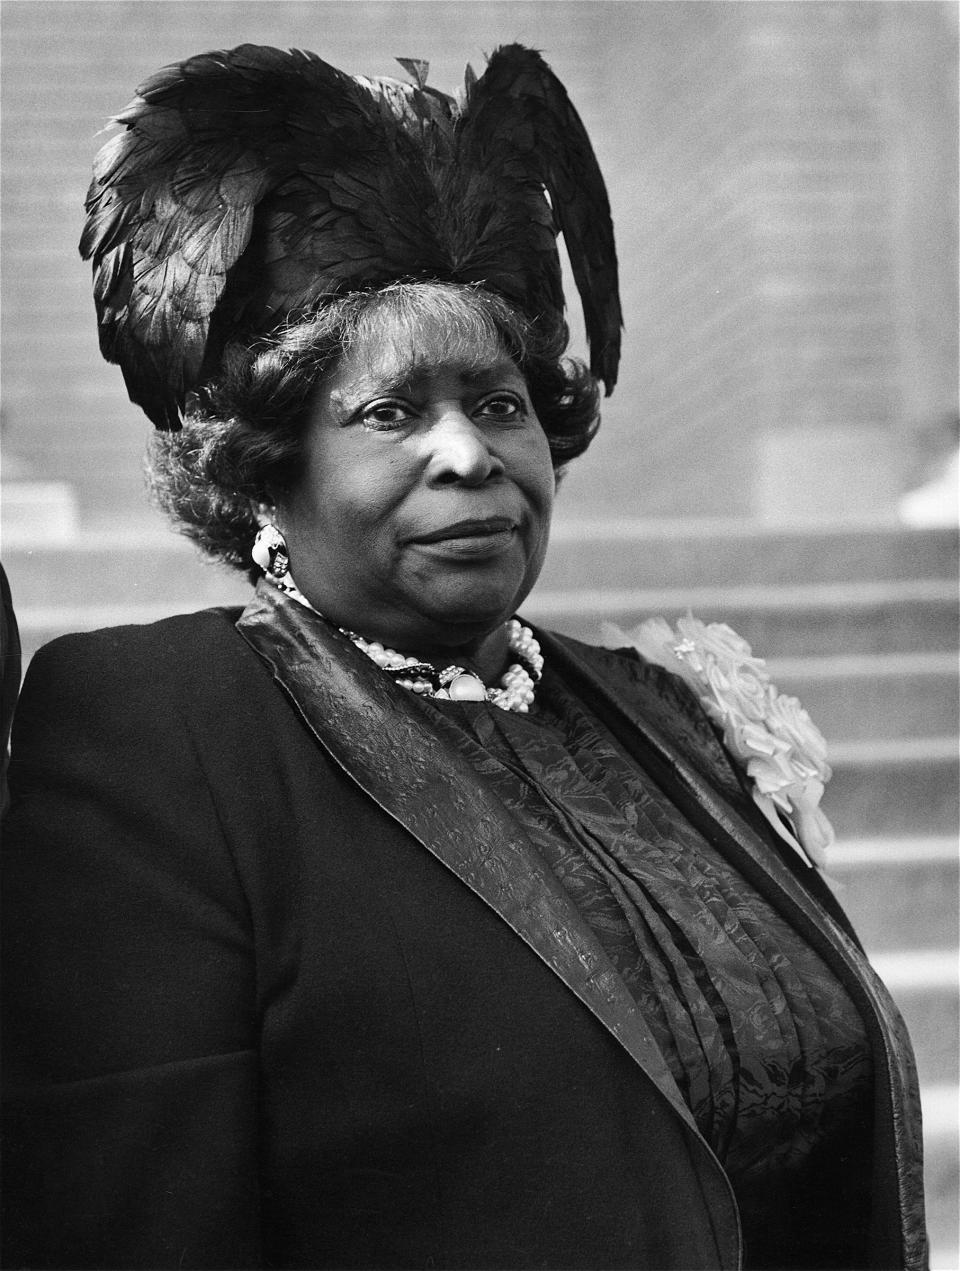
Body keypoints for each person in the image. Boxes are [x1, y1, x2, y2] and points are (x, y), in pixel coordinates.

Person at [1, 42, 927, 1271]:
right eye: (391, 413)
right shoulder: (167, 733)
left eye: (499, 404)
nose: (469, 454)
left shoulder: (667, 713)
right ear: (269, 475)